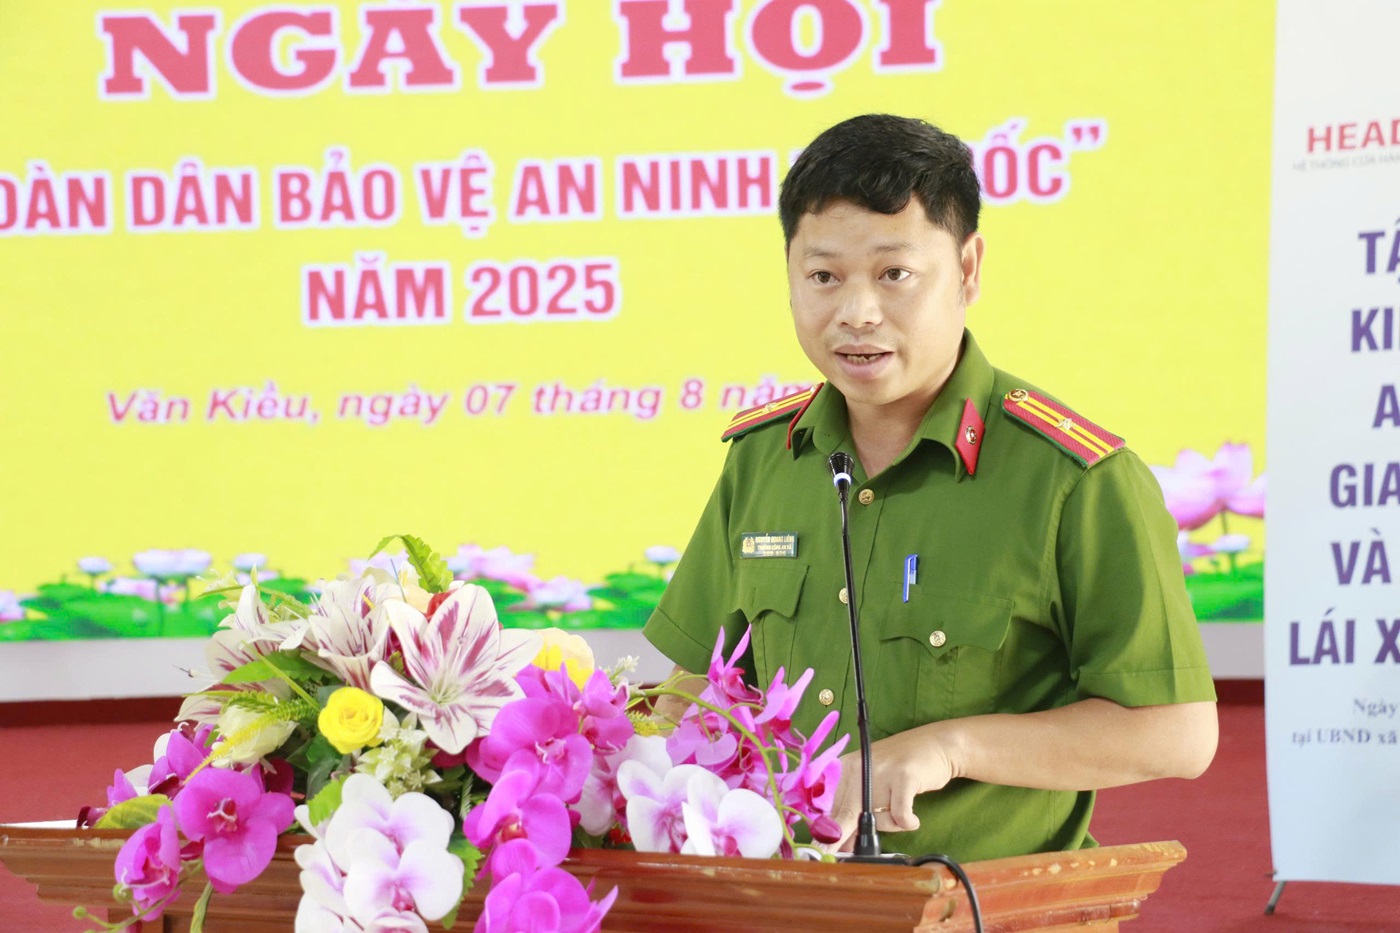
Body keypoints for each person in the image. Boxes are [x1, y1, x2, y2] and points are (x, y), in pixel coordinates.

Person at [642, 113, 1218, 862]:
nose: (856, 314)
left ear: (968, 268)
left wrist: (950, 747)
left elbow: (1177, 733)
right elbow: (695, 689)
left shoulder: (1075, 480)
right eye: (823, 277)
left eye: (895, 274)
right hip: (787, 895)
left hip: (984, 901)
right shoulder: (763, 459)